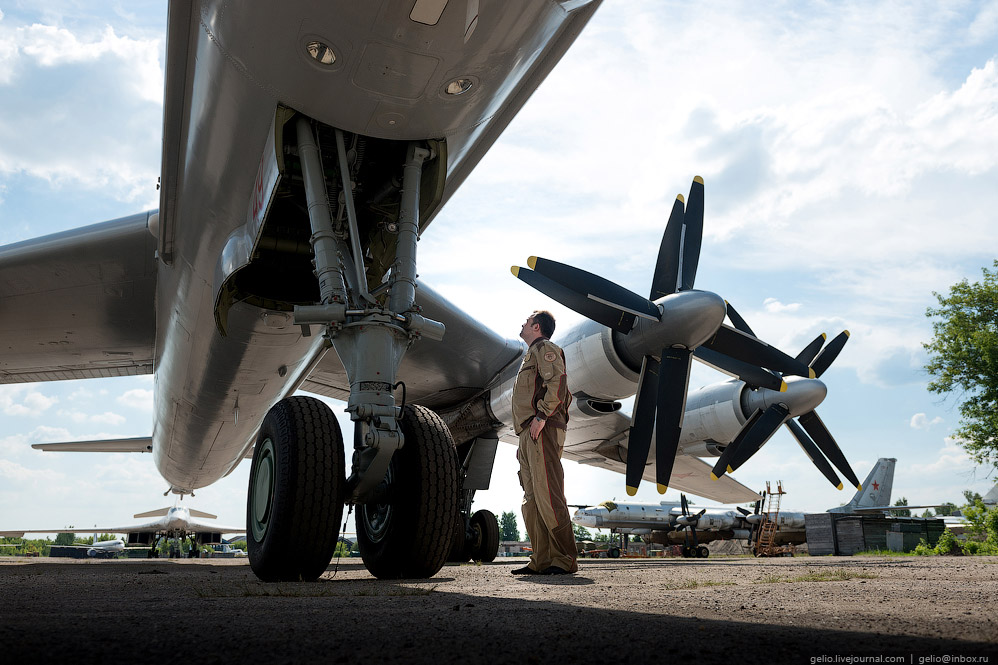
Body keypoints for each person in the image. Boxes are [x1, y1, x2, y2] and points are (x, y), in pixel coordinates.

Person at [510, 310, 577, 576]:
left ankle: (565, 558)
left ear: (536, 327)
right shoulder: (530, 355)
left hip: (543, 427)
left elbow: (557, 383)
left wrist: (541, 418)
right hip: (528, 433)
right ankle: (541, 560)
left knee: (549, 494)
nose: (523, 322)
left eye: (527, 320)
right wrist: (524, 435)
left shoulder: (545, 348)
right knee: (532, 499)